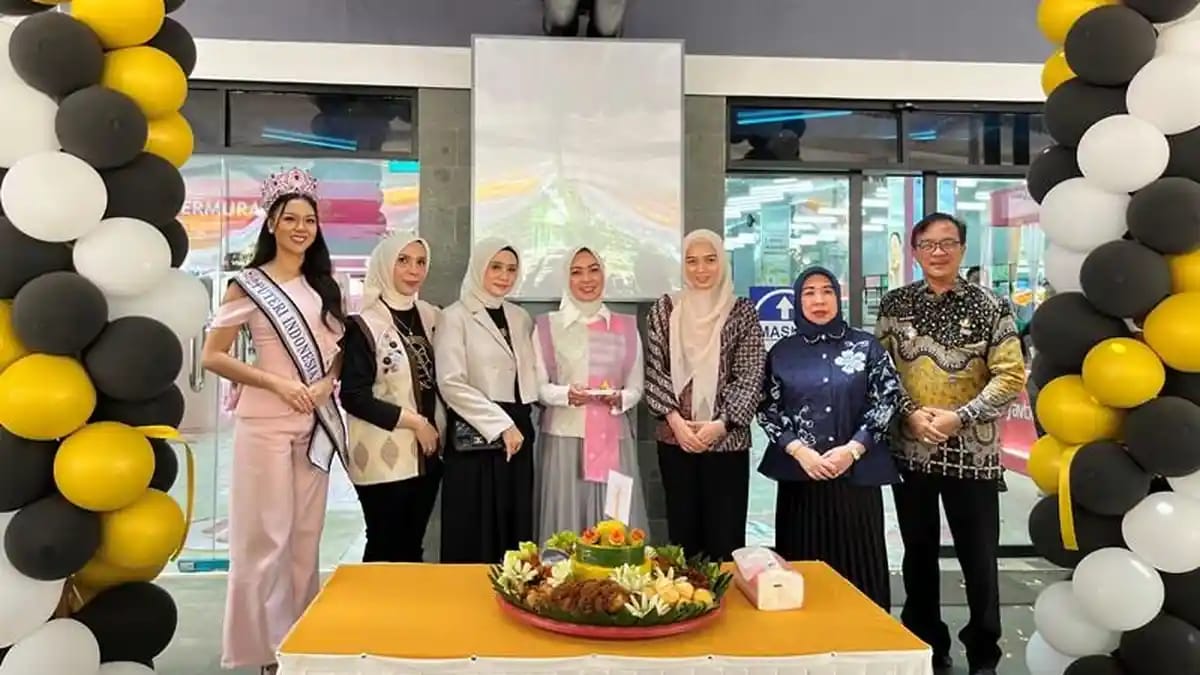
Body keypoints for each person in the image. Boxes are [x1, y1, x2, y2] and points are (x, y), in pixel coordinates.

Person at [201, 168, 346, 675]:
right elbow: (213, 356)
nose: (301, 228)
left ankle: (296, 643)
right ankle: (257, 650)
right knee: (265, 538)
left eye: (309, 220)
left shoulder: (326, 286)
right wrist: (276, 384)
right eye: (290, 219)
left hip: (314, 423)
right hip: (263, 422)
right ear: (272, 224)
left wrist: (326, 384)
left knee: (305, 539)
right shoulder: (247, 286)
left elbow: (339, 352)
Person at [875, 213, 1026, 675]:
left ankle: (983, 653)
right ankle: (927, 643)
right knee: (917, 554)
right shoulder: (896, 304)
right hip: (912, 450)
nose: (937, 252)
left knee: (979, 559)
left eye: (947, 243)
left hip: (972, 455)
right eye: (928, 244)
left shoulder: (991, 305)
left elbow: (1010, 375)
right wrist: (909, 413)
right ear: (915, 252)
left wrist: (960, 416)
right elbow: (882, 371)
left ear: (962, 248)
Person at [757, 267, 901, 610]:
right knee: (803, 572)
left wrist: (853, 449)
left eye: (827, 291)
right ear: (798, 300)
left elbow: (888, 398)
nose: (819, 300)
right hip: (800, 479)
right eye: (809, 293)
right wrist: (799, 451)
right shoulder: (782, 353)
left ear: (838, 297)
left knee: (860, 568)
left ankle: (865, 635)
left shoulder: (866, 347)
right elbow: (767, 408)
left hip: (856, 479)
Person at [644, 228, 766, 562]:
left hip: (726, 442)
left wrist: (720, 425)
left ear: (722, 263)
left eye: (710, 260)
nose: (701, 270)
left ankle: (725, 597)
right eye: (692, 261)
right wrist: (677, 423)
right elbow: (655, 369)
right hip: (676, 439)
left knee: (725, 538)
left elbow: (751, 373)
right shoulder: (665, 309)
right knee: (682, 537)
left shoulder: (741, 311)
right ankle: (686, 595)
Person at [338, 233, 443, 563]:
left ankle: (410, 599)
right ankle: (375, 601)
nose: (414, 270)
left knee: (412, 546)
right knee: (385, 545)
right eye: (403, 260)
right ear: (385, 264)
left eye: (421, 262)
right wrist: (416, 423)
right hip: (381, 456)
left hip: (426, 456)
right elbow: (354, 397)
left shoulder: (430, 316)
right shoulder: (364, 325)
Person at [532, 246, 647, 541]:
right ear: (566, 278)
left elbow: (636, 387)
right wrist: (566, 395)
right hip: (565, 440)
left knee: (617, 527)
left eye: (594, 270)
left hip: (614, 442)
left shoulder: (625, 327)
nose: (587, 279)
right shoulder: (548, 326)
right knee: (566, 532)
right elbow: (539, 388)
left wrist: (620, 398)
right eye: (577, 272)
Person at [434, 238, 538, 563]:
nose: (504, 276)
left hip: (518, 430)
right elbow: (451, 383)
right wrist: (501, 424)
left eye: (511, 269)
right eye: (496, 267)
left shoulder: (520, 317)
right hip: (477, 432)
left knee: (514, 527)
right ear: (479, 266)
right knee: (473, 526)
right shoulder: (454, 316)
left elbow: (528, 376)